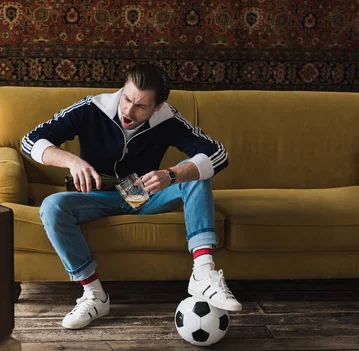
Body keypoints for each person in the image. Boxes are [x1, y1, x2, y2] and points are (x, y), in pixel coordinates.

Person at [21, 64, 241, 330]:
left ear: (157, 107)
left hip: (144, 197)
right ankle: (94, 295)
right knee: (52, 206)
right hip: (97, 198)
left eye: (140, 106)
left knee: (194, 175)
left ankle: (203, 274)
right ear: (122, 90)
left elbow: (218, 155)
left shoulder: (168, 119)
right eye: (127, 98)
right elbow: (31, 140)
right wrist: (72, 162)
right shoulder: (93, 108)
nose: (128, 110)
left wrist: (171, 175)